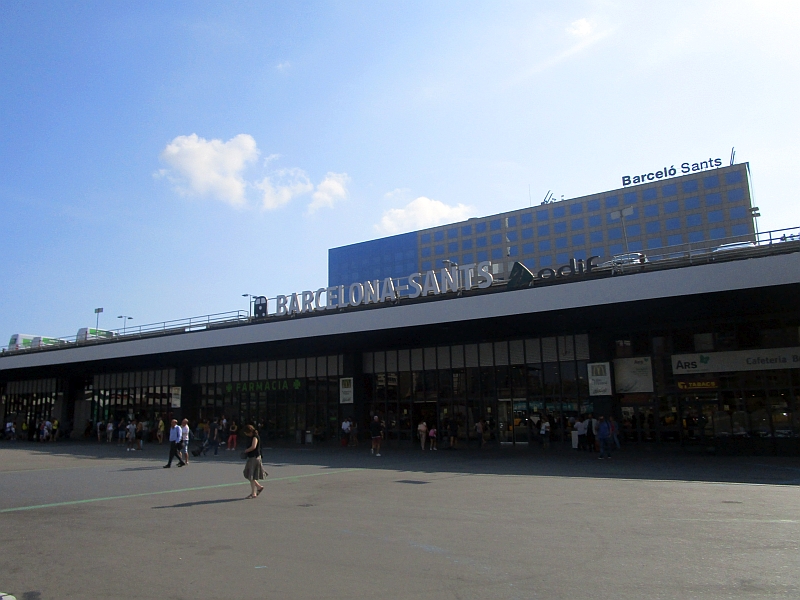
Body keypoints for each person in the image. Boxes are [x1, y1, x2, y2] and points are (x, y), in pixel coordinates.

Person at [242, 424, 266, 499]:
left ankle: (253, 493)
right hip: (253, 457)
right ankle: (258, 487)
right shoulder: (253, 436)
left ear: (249, 432)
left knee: (251, 475)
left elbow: (253, 446)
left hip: (254, 458)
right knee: (249, 474)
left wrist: (246, 450)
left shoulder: (255, 437)